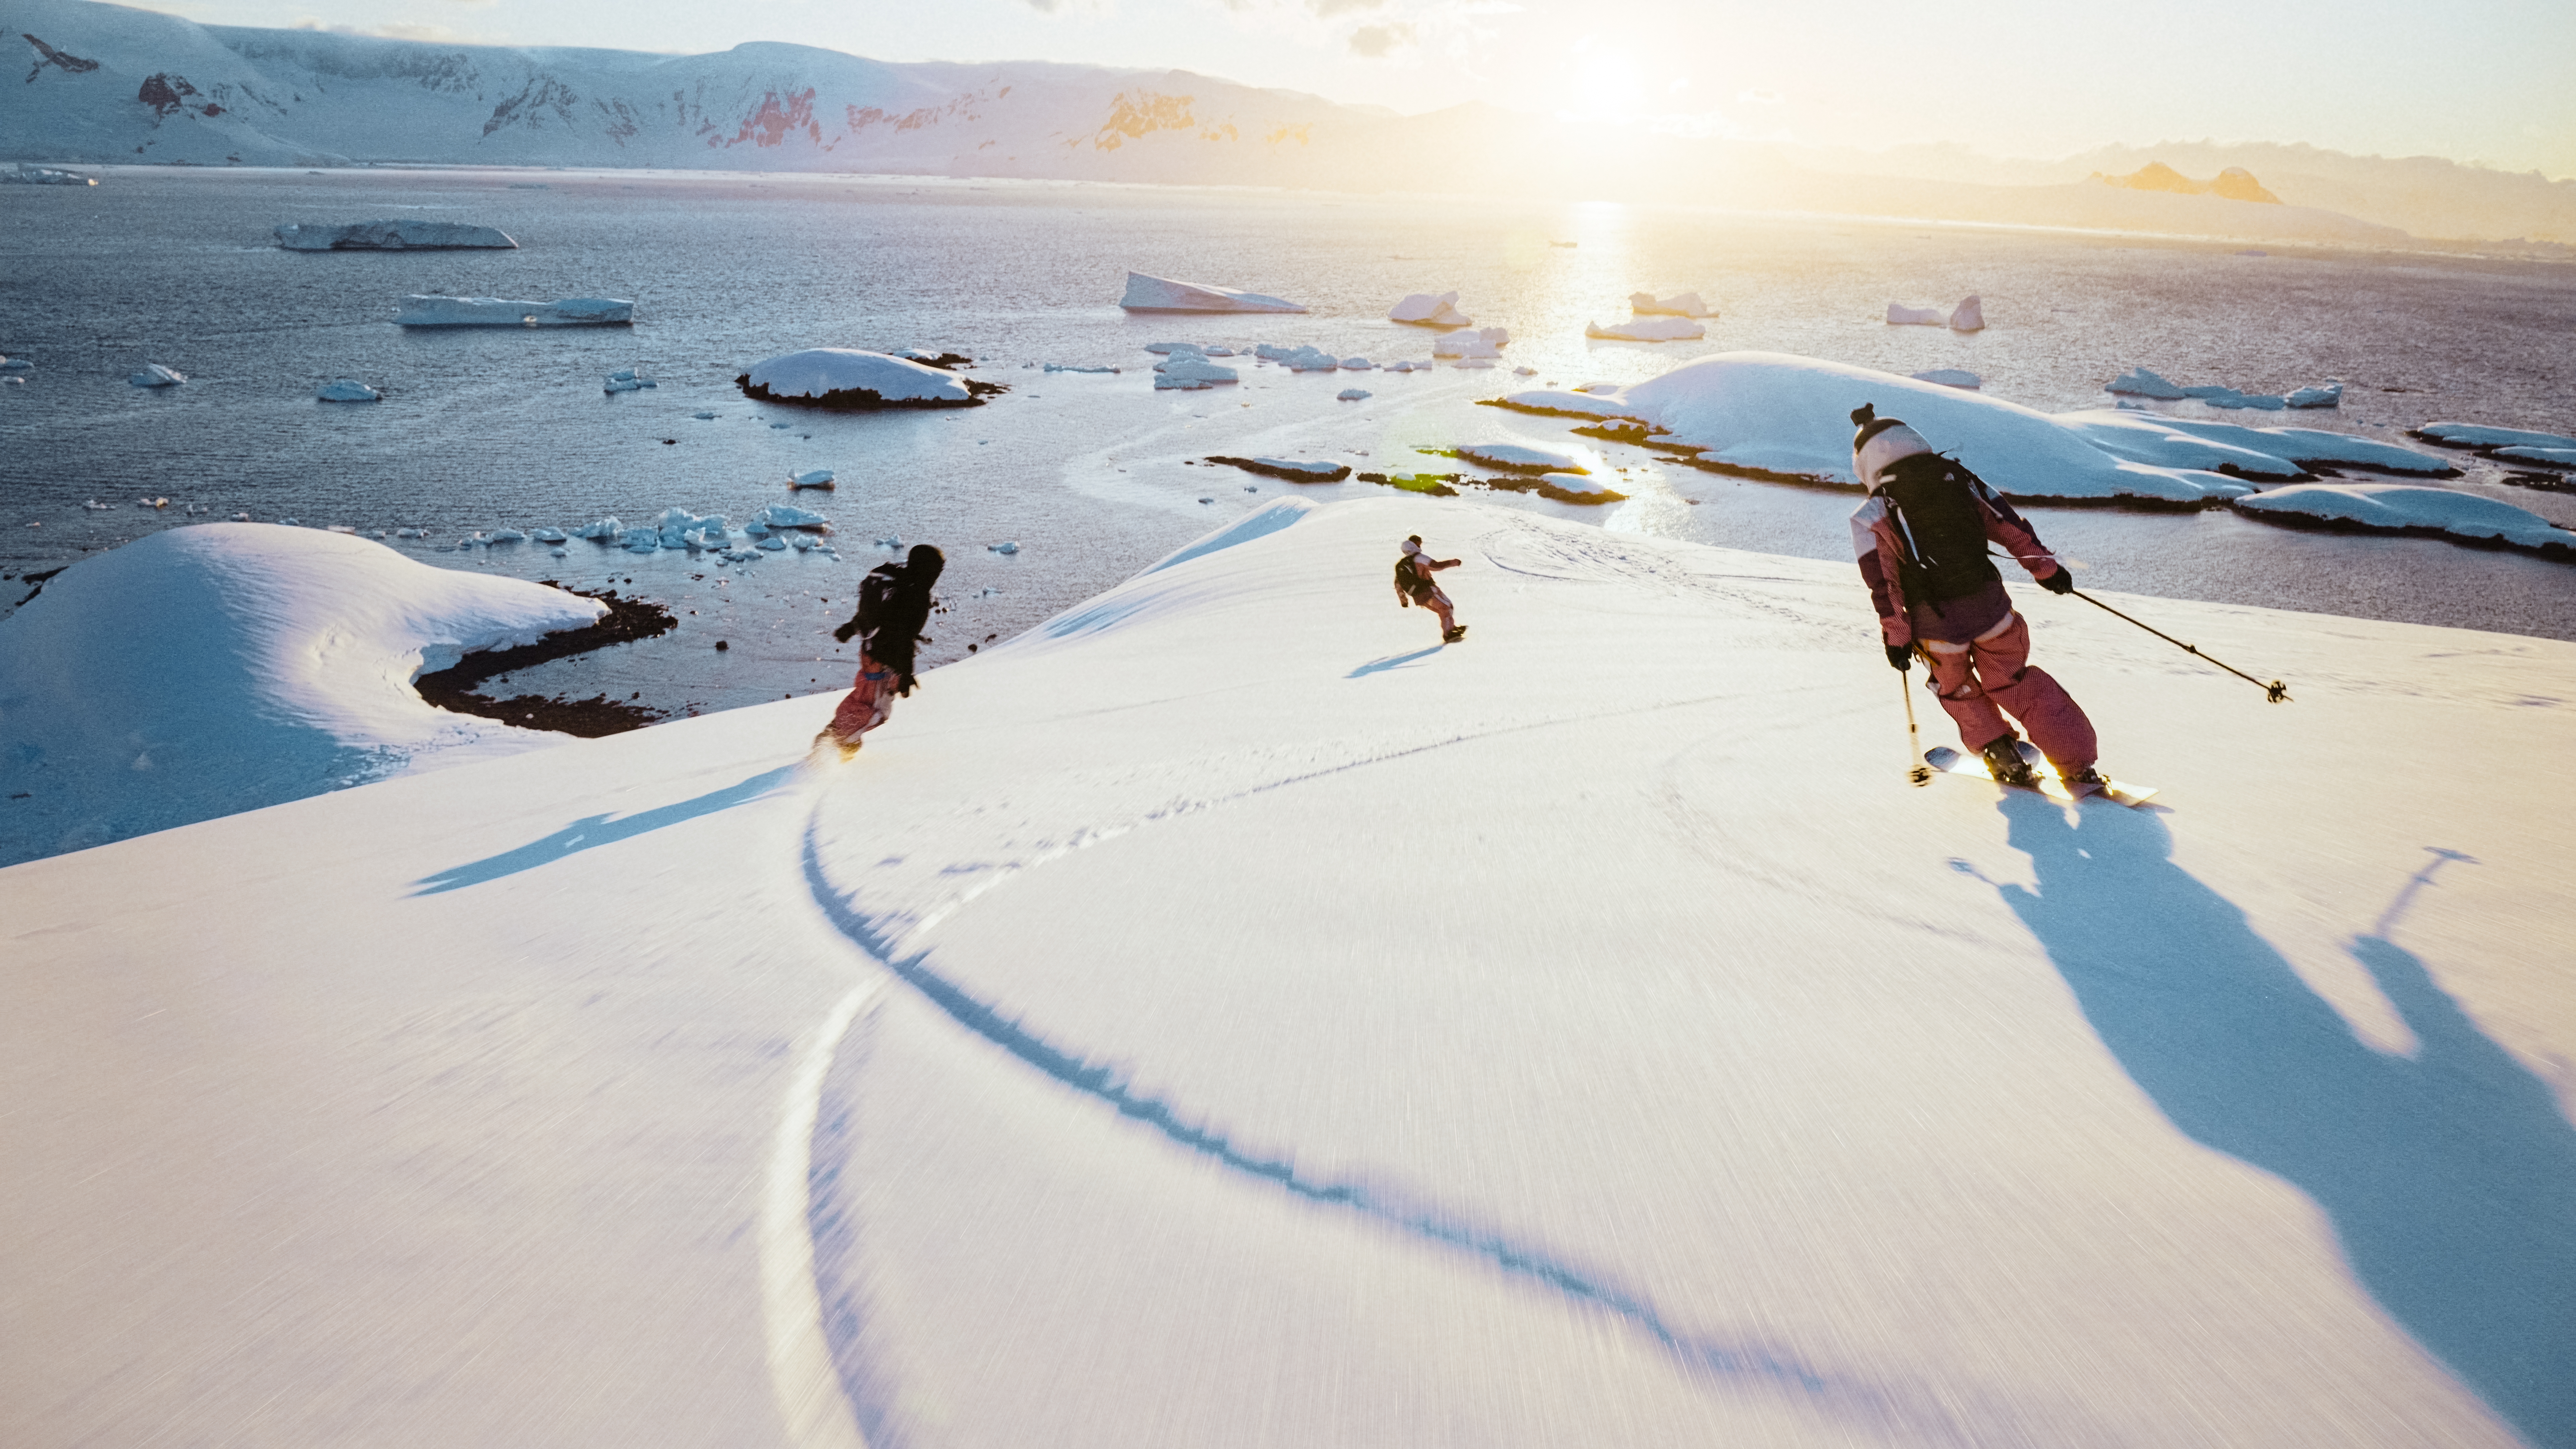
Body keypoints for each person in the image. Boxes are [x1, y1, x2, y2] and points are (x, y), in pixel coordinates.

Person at [1846, 404, 2102, 789]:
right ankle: (2078, 764)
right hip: (1991, 611)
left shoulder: (1870, 515)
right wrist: (2047, 571)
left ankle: (2002, 756)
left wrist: (1897, 641)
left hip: (1935, 629)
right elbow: (2011, 527)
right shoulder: (1959, 480)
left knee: (1958, 689)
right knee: (2017, 683)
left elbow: (1885, 588)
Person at [815, 543, 944, 760]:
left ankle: (843, 741)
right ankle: (834, 744)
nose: (938, 574)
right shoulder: (915, 594)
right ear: (927, 569)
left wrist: (852, 627)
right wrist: (906, 674)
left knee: (868, 702)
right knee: (875, 709)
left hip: (872, 652)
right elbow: (903, 636)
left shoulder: (899, 583)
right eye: (937, 569)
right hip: (883, 659)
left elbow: (879, 616)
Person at [1394, 535, 1467, 643]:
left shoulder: (1402, 565)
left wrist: (1404, 601)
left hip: (1418, 596)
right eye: (1419, 543)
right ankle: (1449, 634)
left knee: (1448, 606)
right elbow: (1436, 566)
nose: (1420, 545)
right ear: (1414, 545)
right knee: (1445, 608)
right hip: (1428, 591)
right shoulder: (1419, 558)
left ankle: (1451, 629)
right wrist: (1454, 562)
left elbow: (1398, 584)